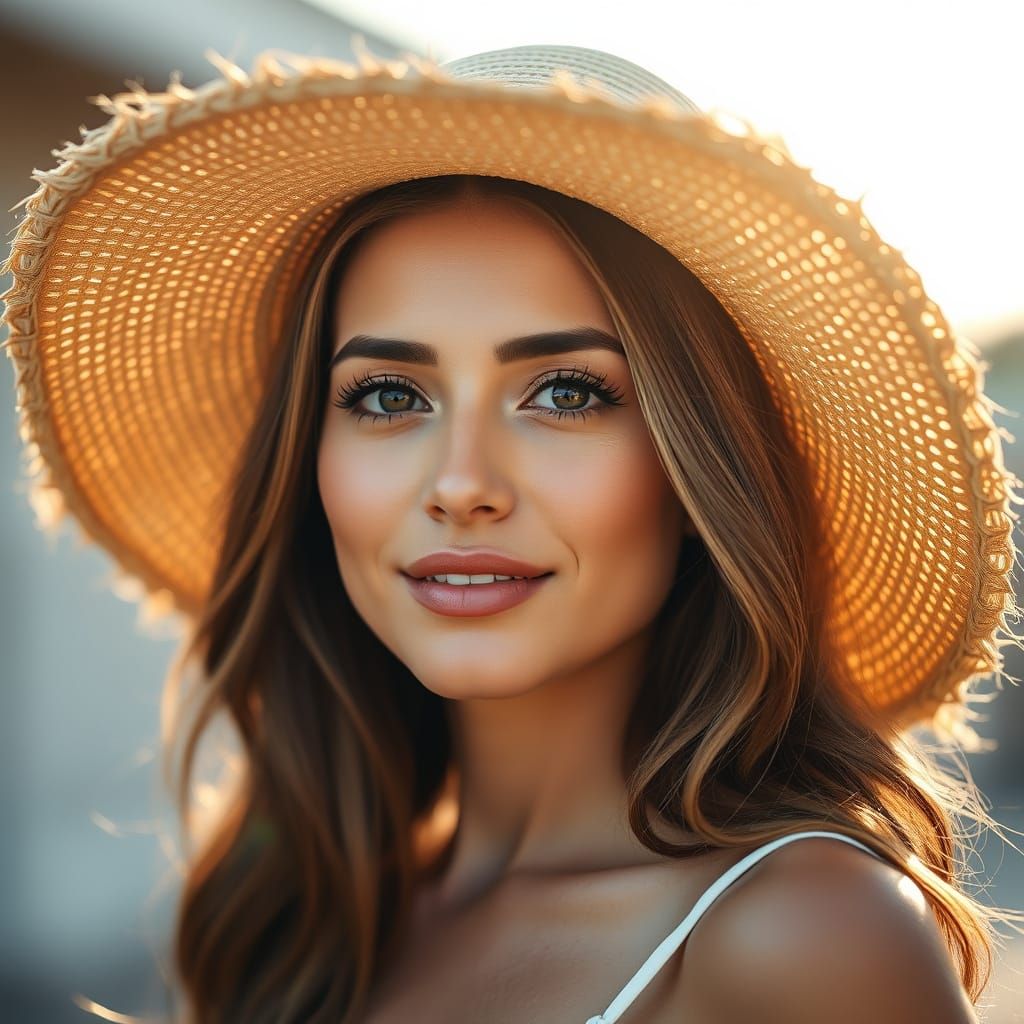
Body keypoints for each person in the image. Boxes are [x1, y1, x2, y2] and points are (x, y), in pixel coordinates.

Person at [2, 39, 1021, 1024]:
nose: (460, 485)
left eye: (568, 391)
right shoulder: (299, 912)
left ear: (700, 461)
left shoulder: (799, 933)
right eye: (389, 393)